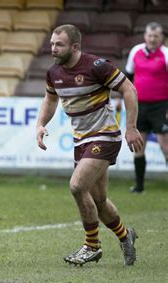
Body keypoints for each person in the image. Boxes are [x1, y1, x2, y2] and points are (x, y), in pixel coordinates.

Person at [36, 24, 144, 266]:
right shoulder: (54, 72)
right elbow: (50, 99)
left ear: (74, 47)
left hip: (105, 136)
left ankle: (91, 246)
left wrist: (131, 127)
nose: (53, 48)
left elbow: (129, 89)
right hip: (81, 140)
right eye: (52, 43)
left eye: (59, 44)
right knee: (99, 201)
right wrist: (41, 124)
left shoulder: (97, 66)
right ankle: (126, 236)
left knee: (76, 186)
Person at [124, 22, 168, 193]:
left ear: (161, 38)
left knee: (165, 145)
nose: (152, 39)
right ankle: (139, 186)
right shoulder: (135, 51)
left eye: (156, 36)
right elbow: (128, 76)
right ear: (145, 36)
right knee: (138, 144)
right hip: (139, 105)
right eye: (149, 35)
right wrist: (122, 98)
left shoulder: (165, 54)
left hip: (161, 106)